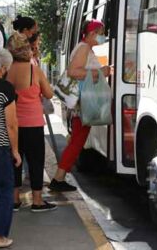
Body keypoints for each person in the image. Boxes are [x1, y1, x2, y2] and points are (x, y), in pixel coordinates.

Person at [49, 19, 111, 192]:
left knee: (75, 139)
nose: (102, 37)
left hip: (83, 101)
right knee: (77, 141)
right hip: (82, 102)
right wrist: (101, 72)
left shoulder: (86, 48)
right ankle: (59, 178)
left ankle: (60, 175)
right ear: (92, 34)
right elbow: (73, 71)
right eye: (101, 33)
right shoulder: (84, 48)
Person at [6, 32, 57, 212]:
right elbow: (49, 94)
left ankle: (14, 200)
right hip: (33, 123)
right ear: (27, 48)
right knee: (36, 162)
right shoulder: (34, 70)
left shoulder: (7, 70)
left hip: (12, 123)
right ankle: (37, 201)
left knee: (14, 161)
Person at [0, 47, 21, 249]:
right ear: (2, 68)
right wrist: (15, 151)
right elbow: (11, 124)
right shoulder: (5, 88)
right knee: (4, 189)